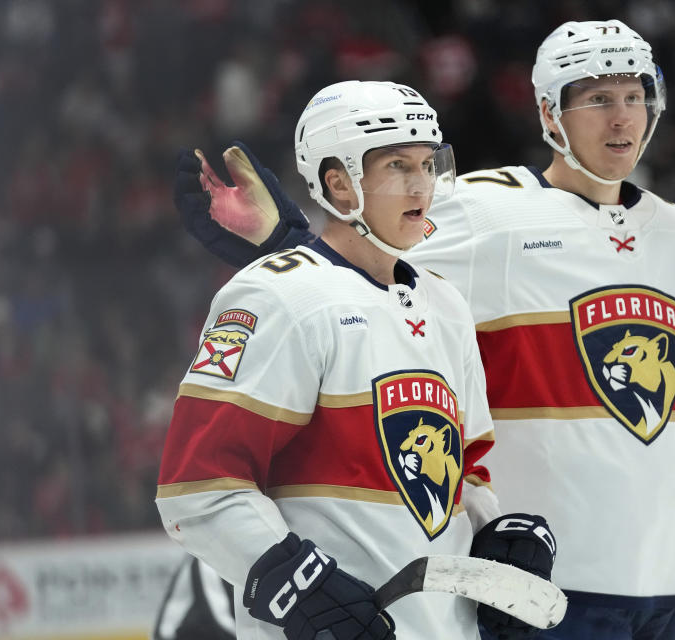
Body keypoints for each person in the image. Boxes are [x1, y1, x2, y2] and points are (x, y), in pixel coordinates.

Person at [175, 21, 675, 640]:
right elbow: (366, 253)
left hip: (664, 590)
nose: (622, 118)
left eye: (635, 97)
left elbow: (673, 424)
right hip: (551, 593)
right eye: (598, 98)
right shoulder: (490, 213)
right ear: (550, 111)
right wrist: (288, 240)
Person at [157, 80, 557, 640]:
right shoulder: (276, 296)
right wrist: (294, 584)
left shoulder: (445, 305)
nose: (422, 185)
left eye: (428, 163)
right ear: (339, 183)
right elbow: (198, 486)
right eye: (398, 166)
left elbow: (463, 472)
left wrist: (496, 535)